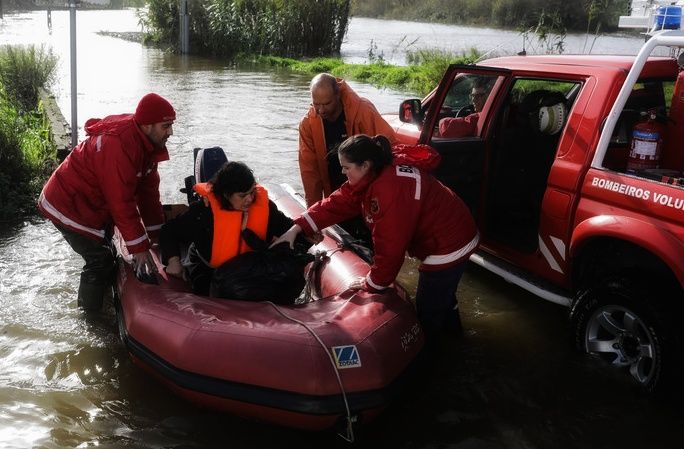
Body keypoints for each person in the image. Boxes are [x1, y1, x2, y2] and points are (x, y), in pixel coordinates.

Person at [273, 134, 480, 341]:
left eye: (346, 167)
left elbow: (390, 246)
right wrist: (297, 227)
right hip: (450, 232)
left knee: (428, 309)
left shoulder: (389, 189)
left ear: (365, 165)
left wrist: (372, 283)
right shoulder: (374, 175)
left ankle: (435, 354)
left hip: (449, 242)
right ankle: (455, 336)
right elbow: (337, 203)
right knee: (443, 297)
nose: (342, 172)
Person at [38, 92, 176, 311]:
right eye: (166, 126)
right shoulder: (118, 146)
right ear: (148, 125)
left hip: (88, 202)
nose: (170, 132)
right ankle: (90, 320)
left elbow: (148, 196)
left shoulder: (147, 146)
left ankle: (103, 304)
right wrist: (140, 249)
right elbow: (121, 202)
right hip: (68, 204)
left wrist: (159, 239)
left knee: (107, 254)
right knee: (99, 261)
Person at [159, 161, 308, 297]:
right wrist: (174, 261)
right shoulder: (203, 212)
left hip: (251, 272)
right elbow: (169, 231)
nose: (249, 199)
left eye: (252, 192)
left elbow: (289, 229)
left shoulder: (265, 207)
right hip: (210, 273)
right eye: (243, 196)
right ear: (226, 195)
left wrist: (306, 235)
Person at [298, 73, 396, 207]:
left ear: (337, 95)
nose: (321, 110)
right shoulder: (307, 124)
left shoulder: (363, 110)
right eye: (316, 104)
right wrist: (312, 211)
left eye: (326, 104)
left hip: (368, 192)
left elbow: (390, 147)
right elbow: (309, 172)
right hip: (335, 194)